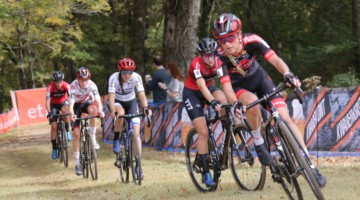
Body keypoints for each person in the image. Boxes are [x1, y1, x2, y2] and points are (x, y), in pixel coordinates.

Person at [212, 13, 326, 187]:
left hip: (260, 79)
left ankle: (308, 164)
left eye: (230, 37)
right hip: (239, 87)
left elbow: (275, 59)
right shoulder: (218, 57)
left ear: (239, 33)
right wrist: (234, 102)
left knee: (285, 118)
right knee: (252, 105)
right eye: (221, 40)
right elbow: (226, 86)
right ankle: (258, 141)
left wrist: (288, 74)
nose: (226, 43)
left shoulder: (252, 40)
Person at [182, 38, 228, 188]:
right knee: (203, 132)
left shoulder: (219, 61)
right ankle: (205, 171)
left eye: (212, 54)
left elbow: (226, 82)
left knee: (223, 100)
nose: (210, 58)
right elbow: (201, 86)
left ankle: (227, 130)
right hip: (192, 94)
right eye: (206, 55)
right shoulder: (196, 63)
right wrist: (212, 101)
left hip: (209, 89)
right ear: (201, 55)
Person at [108, 58, 152, 180]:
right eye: (124, 72)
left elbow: (142, 94)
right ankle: (116, 138)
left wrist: (146, 108)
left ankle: (138, 165)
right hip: (117, 102)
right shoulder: (113, 78)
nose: (127, 75)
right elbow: (111, 97)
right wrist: (112, 111)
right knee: (121, 114)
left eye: (129, 72)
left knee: (136, 133)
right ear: (120, 71)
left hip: (131, 102)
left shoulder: (136, 77)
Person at [69, 67, 105, 176]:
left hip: (85, 103)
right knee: (76, 135)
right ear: (77, 79)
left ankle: (93, 138)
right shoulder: (72, 86)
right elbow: (70, 105)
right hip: (75, 106)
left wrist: (101, 111)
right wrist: (72, 114)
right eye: (82, 80)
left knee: (93, 110)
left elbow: (98, 100)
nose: (84, 82)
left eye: (86, 80)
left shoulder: (92, 85)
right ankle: (77, 163)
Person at [45, 71, 72, 160]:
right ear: (54, 82)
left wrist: (71, 108)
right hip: (53, 105)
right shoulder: (50, 87)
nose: (59, 84)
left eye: (60, 81)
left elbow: (71, 96)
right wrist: (49, 112)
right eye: (57, 82)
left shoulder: (66, 85)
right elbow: (48, 100)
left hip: (63, 103)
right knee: (53, 127)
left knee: (66, 111)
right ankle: (54, 149)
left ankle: (67, 131)